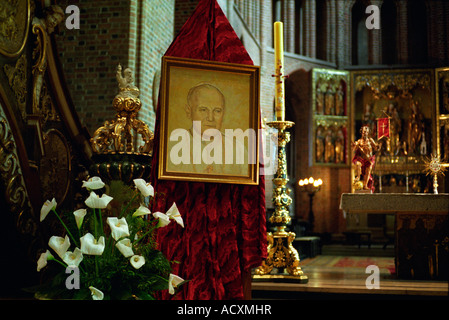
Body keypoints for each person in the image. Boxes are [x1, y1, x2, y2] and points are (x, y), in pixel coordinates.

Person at [352, 126, 381, 191]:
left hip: (369, 159)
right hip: (362, 159)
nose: (365, 133)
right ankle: (358, 177)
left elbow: (375, 147)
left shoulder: (370, 140)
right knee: (358, 165)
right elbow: (354, 147)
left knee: (368, 170)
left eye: (367, 132)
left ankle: (365, 185)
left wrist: (378, 147)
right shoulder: (359, 141)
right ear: (361, 132)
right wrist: (354, 145)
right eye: (364, 132)